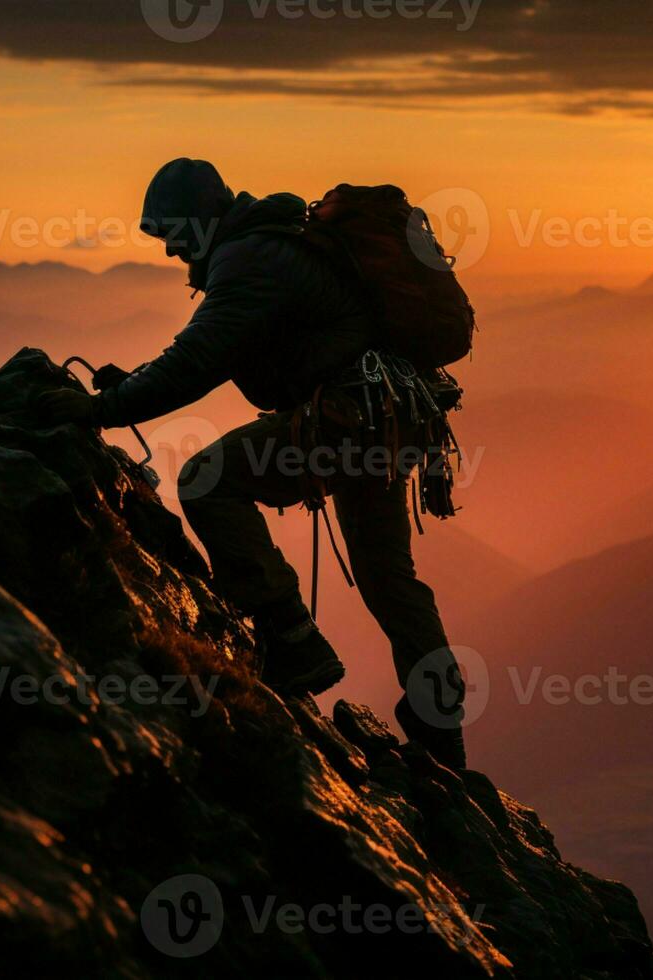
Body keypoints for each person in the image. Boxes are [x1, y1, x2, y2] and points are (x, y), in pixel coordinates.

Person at [36, 158, 466, 769]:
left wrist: (100, 410)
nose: (170, 252)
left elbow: (197, 360)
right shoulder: (273, 244)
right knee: (390, 580)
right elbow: (206, 351)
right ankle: (442, 731)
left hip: (346, 418)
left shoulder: (249, 260)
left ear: (201, 219)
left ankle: (290, 635)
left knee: (206, 480)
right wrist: (127, 387)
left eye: (173, 235)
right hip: (385, 416)